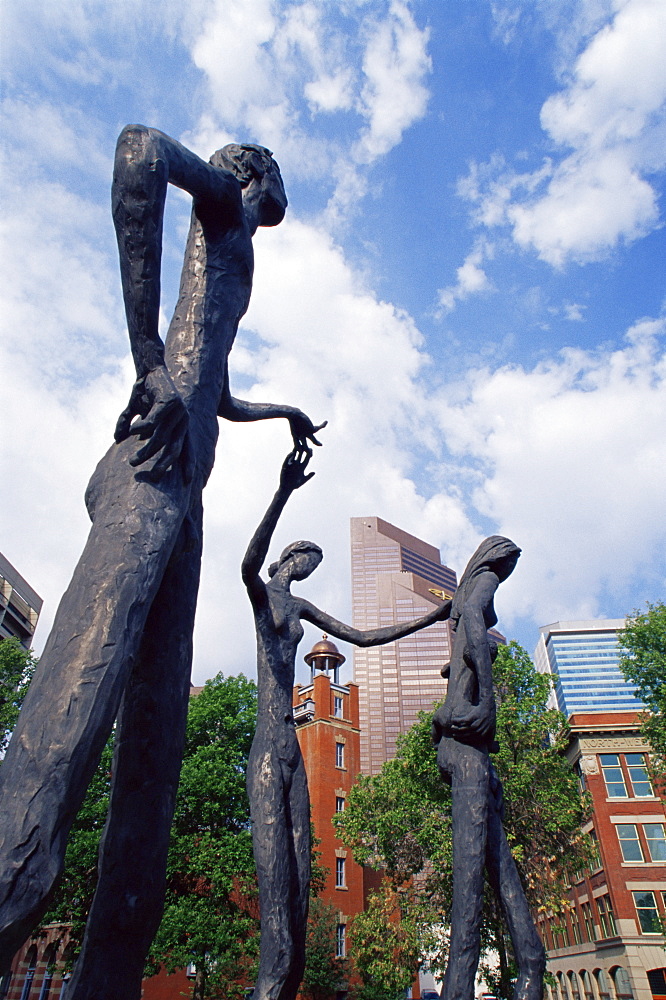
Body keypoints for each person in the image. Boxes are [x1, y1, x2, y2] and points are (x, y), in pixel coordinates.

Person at [0, 125, 324, 994]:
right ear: (255, 178)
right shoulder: (222, 202)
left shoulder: (237, 261)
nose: (269, 218)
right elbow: (140, 148)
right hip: (153, 468)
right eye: (271, 202)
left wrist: (283, 411)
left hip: (190, 493)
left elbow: (212, 384)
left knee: (154, 770)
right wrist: (149, 369)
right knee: (64, 734)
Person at [242, 448, 452, 1000]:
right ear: (287, 561)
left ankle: (288, 978)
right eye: (303, 562)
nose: (308, 571)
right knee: (274, 874)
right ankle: (270, 981)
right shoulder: (263, 594)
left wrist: (429, 617)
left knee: (304, 870)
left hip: (291, 742)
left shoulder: (306, 608)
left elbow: (360, 638)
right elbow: (247, 562)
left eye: (313, 566)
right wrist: (284, 490)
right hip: (267, 744)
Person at [431, 537, 545, 1000]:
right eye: (510, 564)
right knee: (470, 875)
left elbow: (466, 629)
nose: (509, 573)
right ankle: (460, 988)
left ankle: (532, 964)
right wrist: (489, 702)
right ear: (498, 559)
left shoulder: (459, 603)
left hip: (463, 746)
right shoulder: (483, 581)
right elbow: (478, 621)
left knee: (499, 866)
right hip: (466, 744)